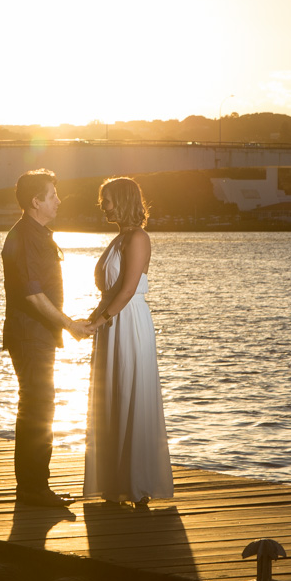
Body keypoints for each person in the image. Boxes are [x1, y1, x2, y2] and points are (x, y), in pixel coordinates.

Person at [81, 177, 174, 506]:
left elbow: (128, 289)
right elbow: (109, 292)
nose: (102, 205)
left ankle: (136, 484)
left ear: (121, 200)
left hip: (129, 321)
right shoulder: (119, 239)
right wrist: (90, 321)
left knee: (130, 392)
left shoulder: (137, 238)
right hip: (111, 322)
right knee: (111, 397)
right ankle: (115, 483)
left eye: (106, 199)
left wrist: (101, 320)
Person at [2, 170, 91, 507]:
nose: (58, 200)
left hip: (39, 336)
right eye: (52, 195)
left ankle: (36, 486)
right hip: (29, 336)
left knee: (40, 408)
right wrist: (70, 325)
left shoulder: (37, 234)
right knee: (36, 409)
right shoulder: (22, 237)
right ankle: (32, 489)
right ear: (36, 201)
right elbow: (32, 296)